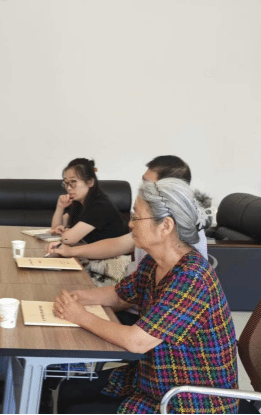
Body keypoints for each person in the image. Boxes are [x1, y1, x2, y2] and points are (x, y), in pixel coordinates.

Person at [54, 178, 238, 414]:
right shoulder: (156, 262)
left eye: (137, 217)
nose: (130, 224)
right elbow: (120, 295)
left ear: (166, 226)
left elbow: (137, 341)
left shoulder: (191, 278)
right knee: (70, 389)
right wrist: (79, 297)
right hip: (155, 376)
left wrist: (81, 316)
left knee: (78, 409)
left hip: (189, 399)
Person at [46, 156, 210, 274]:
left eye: (147, 185)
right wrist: (70, 251)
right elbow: (117, 245)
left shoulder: (184, 252)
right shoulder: (152, 227)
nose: (131, 224)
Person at [51, 158, 128, 245]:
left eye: (73, 182)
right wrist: (60, 207)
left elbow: (67, 239)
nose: (68, 188)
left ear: (90, 182)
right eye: (66, 183)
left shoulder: (100, 207)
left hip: (109, 254)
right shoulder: (79, 204)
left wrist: (66, 230)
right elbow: (54, 230)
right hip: (89, 251)